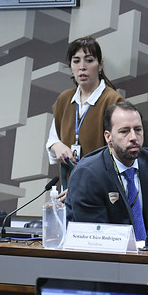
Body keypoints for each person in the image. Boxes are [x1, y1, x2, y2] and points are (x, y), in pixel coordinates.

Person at [66, 102, 148, 241]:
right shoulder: (88, 173)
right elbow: (96, 237)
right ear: (108, 137)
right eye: (124, 131)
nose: (134, 137)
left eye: (138, 129)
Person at [45, 36, 124, 190]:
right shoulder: (64, 99)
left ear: (100, 65)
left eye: (89, 60)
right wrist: (57, 146)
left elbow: (119, 153)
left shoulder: (113, 100)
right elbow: (52, 139)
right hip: (69, 189)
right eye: (76, 61)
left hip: (101, 191)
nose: (82, 67)